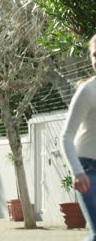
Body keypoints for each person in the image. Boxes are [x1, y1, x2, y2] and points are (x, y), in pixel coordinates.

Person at [61, 34, 96, 241]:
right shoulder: (88, 91)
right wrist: (77, 171)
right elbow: (65, 136)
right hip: (88, 171)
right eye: (94, 55)